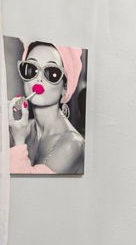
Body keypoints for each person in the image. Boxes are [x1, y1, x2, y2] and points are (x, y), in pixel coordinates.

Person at [9, 39, 85, 174]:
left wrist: (19, 141)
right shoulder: (21, 128)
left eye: (52, 73)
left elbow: (28, 189)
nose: (39, 78)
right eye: (31, 69)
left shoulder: (72, 144)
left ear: (65, 88)